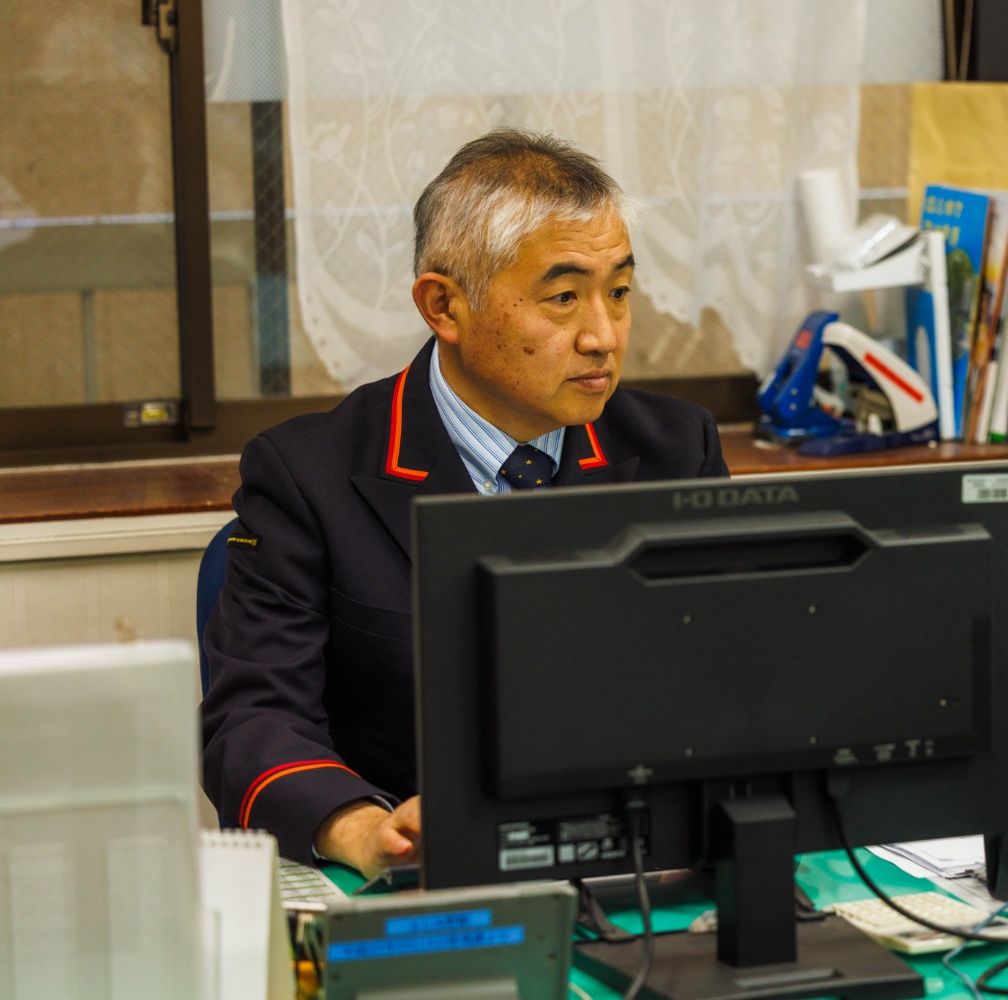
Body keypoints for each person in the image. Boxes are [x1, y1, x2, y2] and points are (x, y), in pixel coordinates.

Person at [201, 127, 729, 877]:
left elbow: (732, 683)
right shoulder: (308, 476)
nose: (603, 337)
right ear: (443, 306)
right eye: (563, 298)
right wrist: (361, 829)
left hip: (636, 867)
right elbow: (251, 719)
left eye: (618, 293)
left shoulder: (677, 452)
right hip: (423, 875)